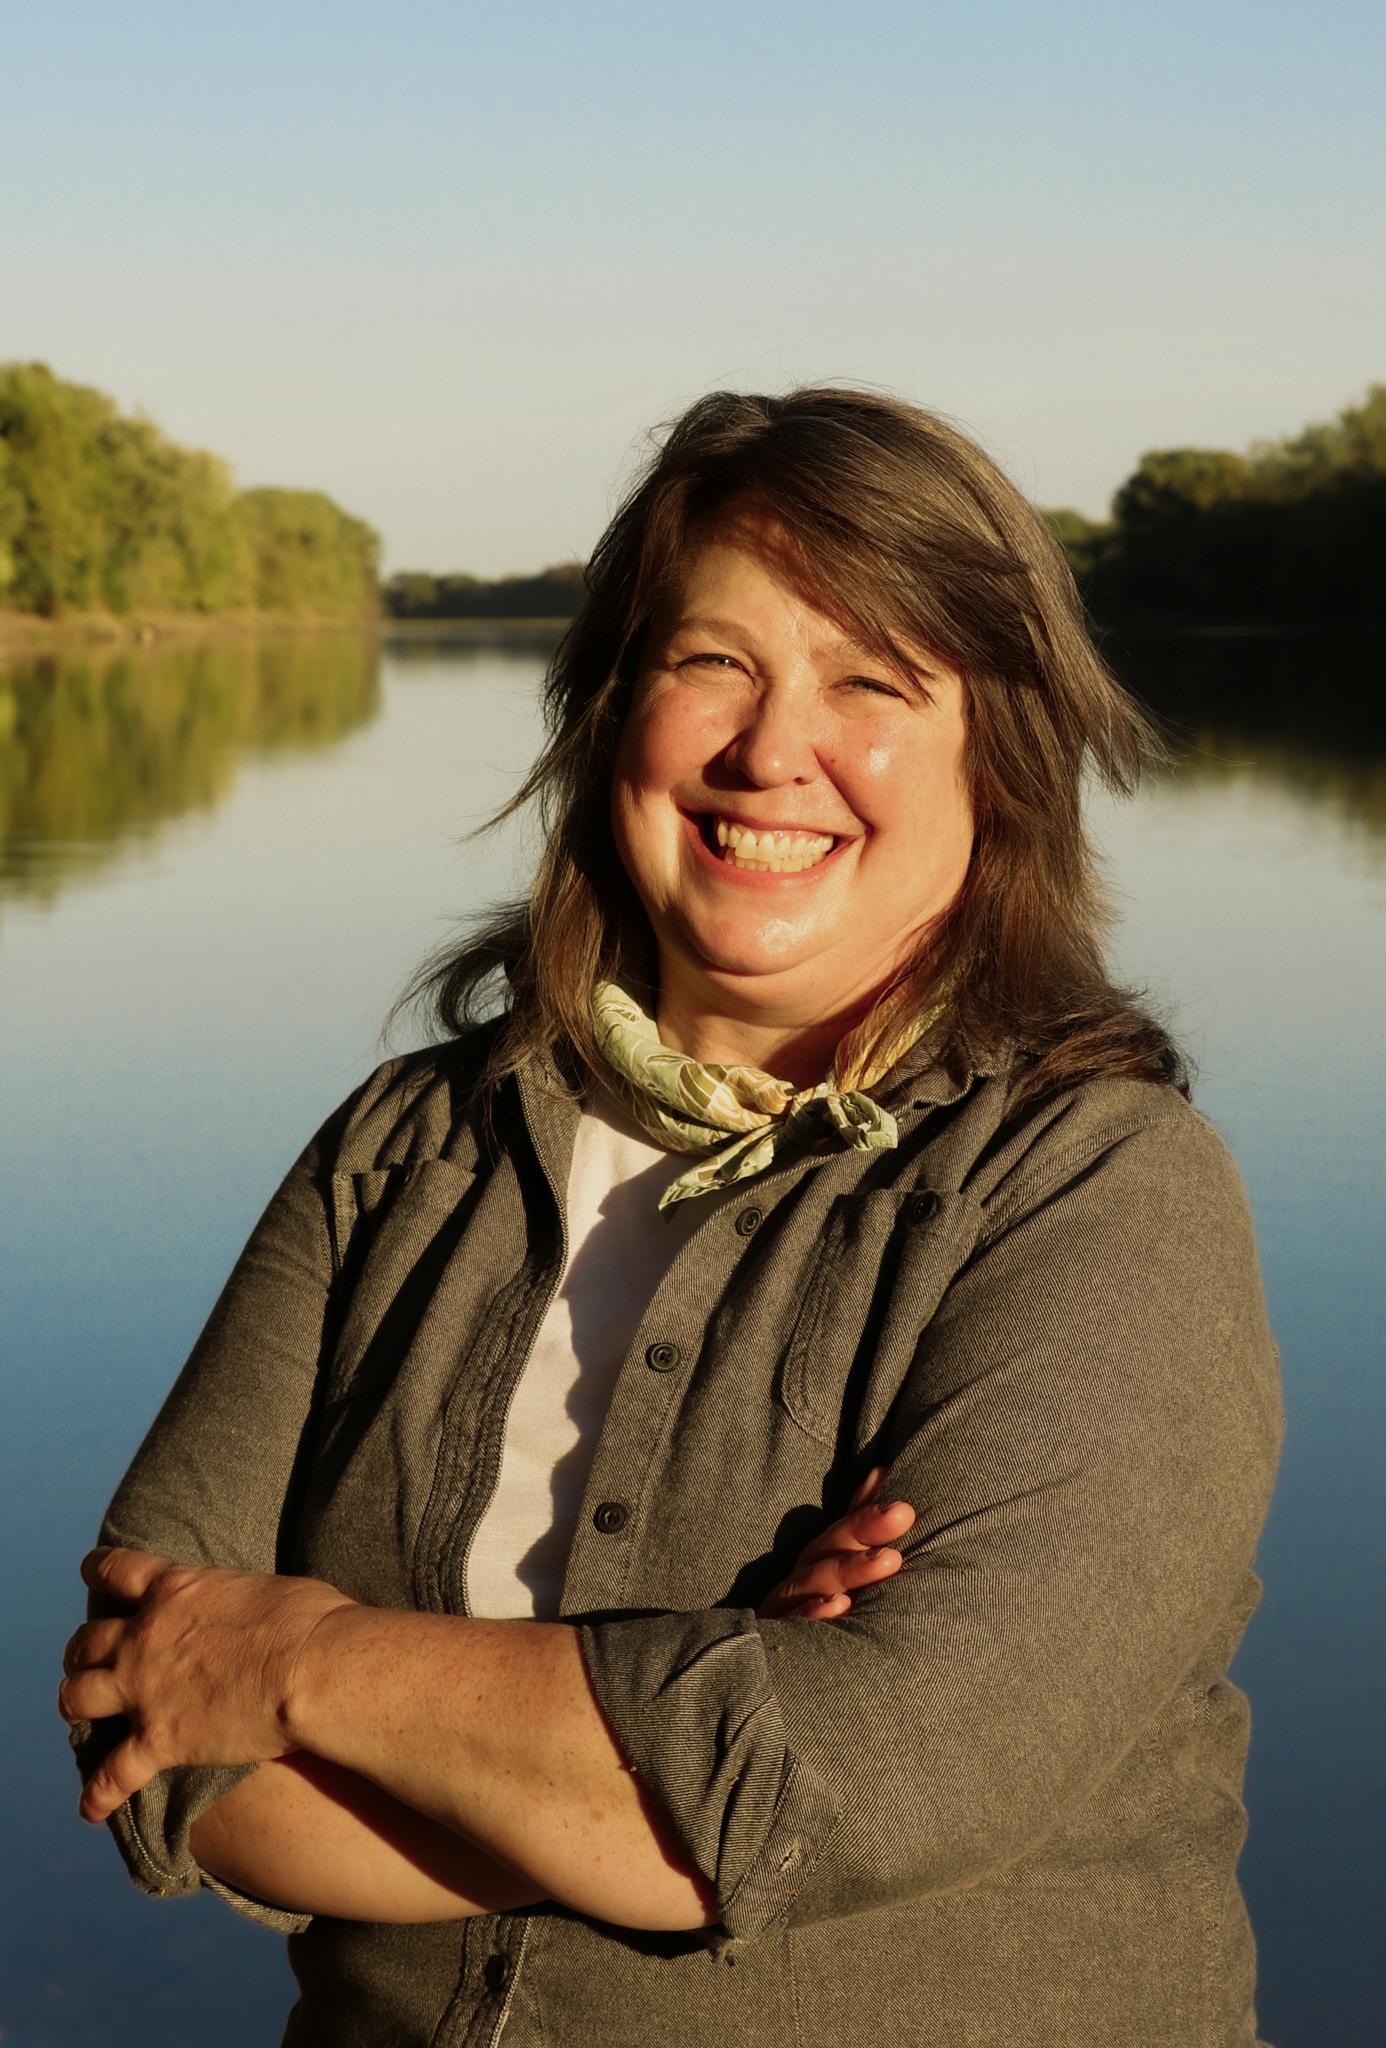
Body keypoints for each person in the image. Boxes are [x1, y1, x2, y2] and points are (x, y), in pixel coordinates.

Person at [60, 387, 1281, 2047]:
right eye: (712, 663)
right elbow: (155, 1743)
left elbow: (847, 1782)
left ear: (1001, 759)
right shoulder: (403, 1152)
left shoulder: (1092, 1195)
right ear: (608, 707)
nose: (770, 751)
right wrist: (683, 1709)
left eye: (871, 682)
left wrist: (310, 1664)